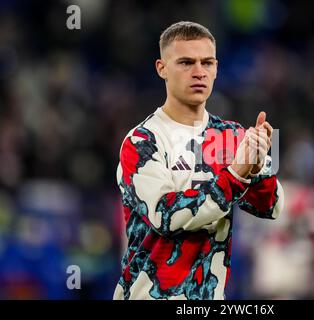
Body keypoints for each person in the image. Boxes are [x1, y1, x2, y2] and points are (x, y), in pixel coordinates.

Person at [113, 21, 284, 300]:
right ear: (162, 68)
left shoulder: (234, 135)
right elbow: (165, 217)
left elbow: (273, 206)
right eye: (185, 62)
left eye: (207, 62)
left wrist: (260, 166)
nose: (199, 72)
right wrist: (237, 174)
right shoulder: (141, 141)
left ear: (216, 68)